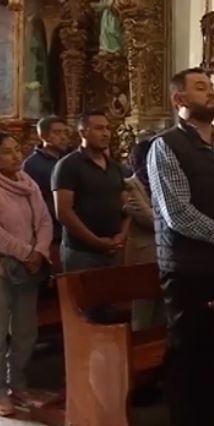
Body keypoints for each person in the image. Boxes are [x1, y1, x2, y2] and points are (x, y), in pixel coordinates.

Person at [147, 67, 214, 426]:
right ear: (180, 99)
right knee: (189, 354)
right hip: (188, 269)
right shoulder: (166, 145)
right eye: (200, 87)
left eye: (210, 86)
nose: (210, 92)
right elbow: (178, 211)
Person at [0, 132, 53, 416]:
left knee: (25, 333)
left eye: (18, 149)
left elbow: (44, 221)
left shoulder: (29, 184)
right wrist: (25, 252)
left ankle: (19, 385)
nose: (16, 155)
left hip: (29, 268)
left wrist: (39, 252)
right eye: (7, 152)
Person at [52, 111, 130, 272]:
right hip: (81, 251)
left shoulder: (114, 167)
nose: (106, 133)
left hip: (113, 248)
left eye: (108, 128)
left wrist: (121, 236)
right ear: (83, 132)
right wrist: (95, 241)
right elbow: (64, 211)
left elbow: (127, 206)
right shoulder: (68, 165)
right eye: (99, 128)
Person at [123, 134, 163, 330]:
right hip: (144, 252)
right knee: (144, 309)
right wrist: (174, 220)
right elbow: (148, 218)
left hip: (164, 252)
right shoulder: (130, 185)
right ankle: (139, 346)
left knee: (163, 309)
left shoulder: (161, 183)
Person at [23, 115, 70, 243]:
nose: (63, 137)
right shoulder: (32, 165)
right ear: (43, 136)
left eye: (65, 132)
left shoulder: (68, 160)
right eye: (57, 132)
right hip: (50, 231)